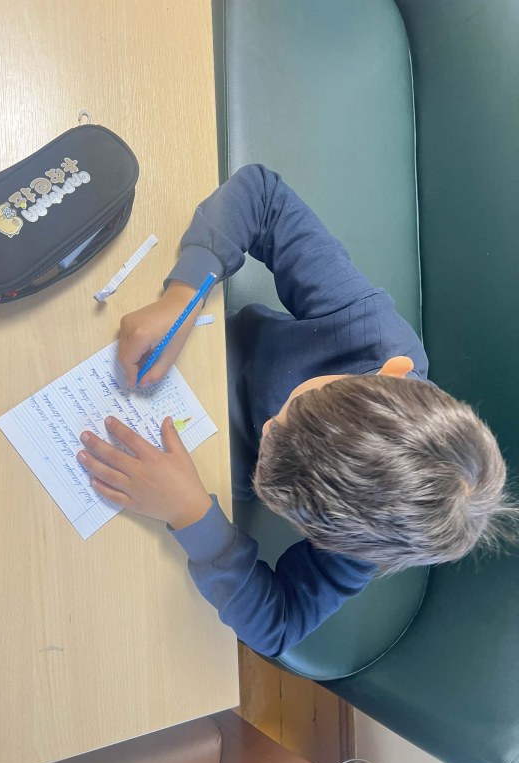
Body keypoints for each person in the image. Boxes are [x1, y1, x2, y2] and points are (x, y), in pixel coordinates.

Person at [76, 164, 513, 657]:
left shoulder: (365, 533)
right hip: (195, 347)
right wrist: (185, 295)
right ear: (391, 371)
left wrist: (192, 515)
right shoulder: (370, 332)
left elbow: (279, 628)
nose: (268, 428)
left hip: (199, 466)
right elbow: (261, 196)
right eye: (297, 405)